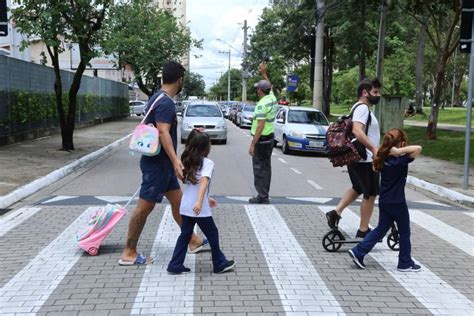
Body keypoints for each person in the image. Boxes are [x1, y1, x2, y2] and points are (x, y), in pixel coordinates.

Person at [119, 61, 206, 266]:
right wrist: (176, 160)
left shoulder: (155, 98)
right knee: (144, 208)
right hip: (157, 166)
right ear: (179, 80)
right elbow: (163, 131)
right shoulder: (166, 102)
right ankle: (129, 252)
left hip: (162, 166)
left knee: (179, 204)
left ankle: (192, 241)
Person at [348, 128, 422, 272]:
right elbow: (418, 148)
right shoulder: (401, 160)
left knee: (381, 229)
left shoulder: (383, 159)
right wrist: (399, 152)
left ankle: (359, 251)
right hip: (398, 202)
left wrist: (391, 151)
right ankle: (405, 263)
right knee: (405, 232)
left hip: (385, 201)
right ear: (401, 144)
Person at [167, 130, 235, 274]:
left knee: (185, 235)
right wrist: (199, 202)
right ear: (205, 147)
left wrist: (205, 198)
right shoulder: (207, 163)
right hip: (198, 208)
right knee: (212, 234)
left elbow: (191, 183)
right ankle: (219, 263)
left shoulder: (186, 160)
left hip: (185, 205)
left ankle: (175, 264)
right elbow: (203, 181)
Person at [325, 78, 382, 238]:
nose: (378, 95)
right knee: (370, 193)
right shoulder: (363, 108)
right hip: (366, 159)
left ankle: (335, 213)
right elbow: (357, 131)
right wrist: (373, 148)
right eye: (375, 92)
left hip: (356, 157)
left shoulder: (357, 107)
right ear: (365, 92)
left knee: (358, 187)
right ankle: (363, 230)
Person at [248, 62, 279, 204]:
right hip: (270, 138)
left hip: (261, 140)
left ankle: (262, 196)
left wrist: (253, 144)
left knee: (259, 169)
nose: (256, 91)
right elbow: (270, 86)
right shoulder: (272, 99)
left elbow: (260, 126)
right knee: (266, 168)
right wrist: (264, 74)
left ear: (261, 90)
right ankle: (265, 194)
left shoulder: (261, 104)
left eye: (257, 89)